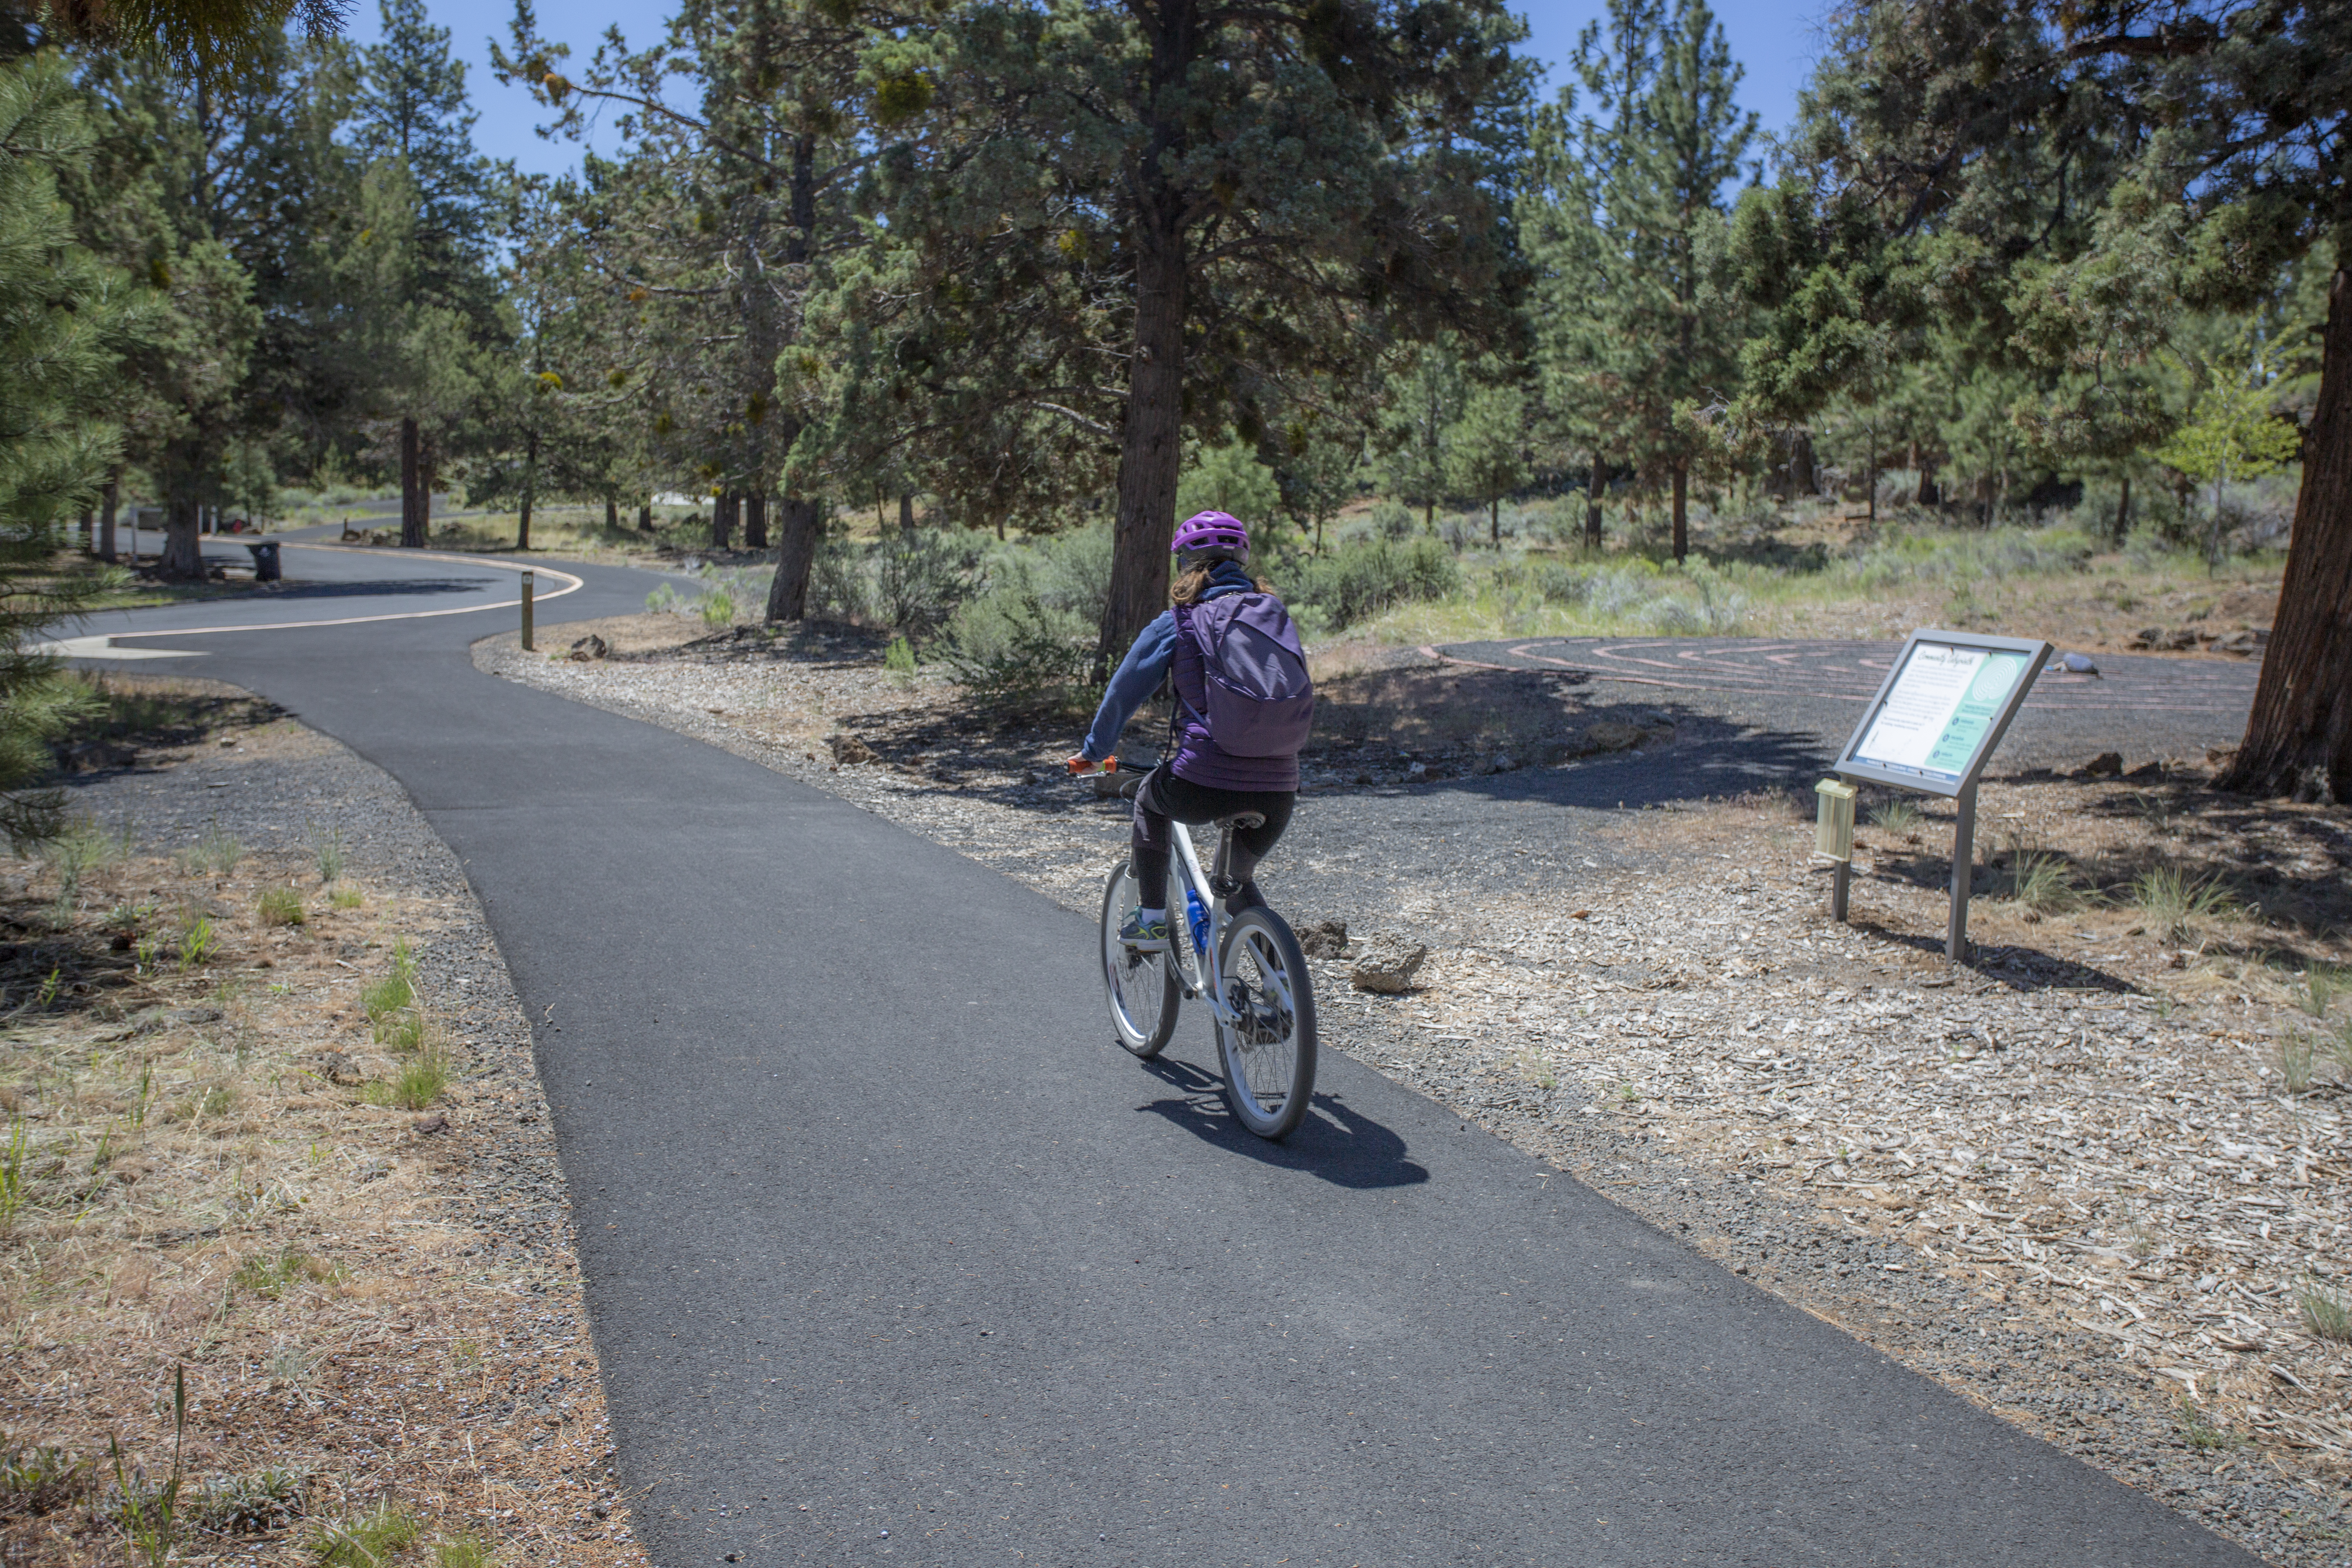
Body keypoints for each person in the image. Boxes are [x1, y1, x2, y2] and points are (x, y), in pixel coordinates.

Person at [1068, 510, 1302, 951]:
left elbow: (1124, 692)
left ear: (1185, 563)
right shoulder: (1273, 614)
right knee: (1233, 884)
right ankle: (1281, 993)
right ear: (1243, 558)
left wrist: (1094, 752)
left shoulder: (1179, 621)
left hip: (1202, 781)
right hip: (1279, 787)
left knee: (1150, 801)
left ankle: (1153, 920)